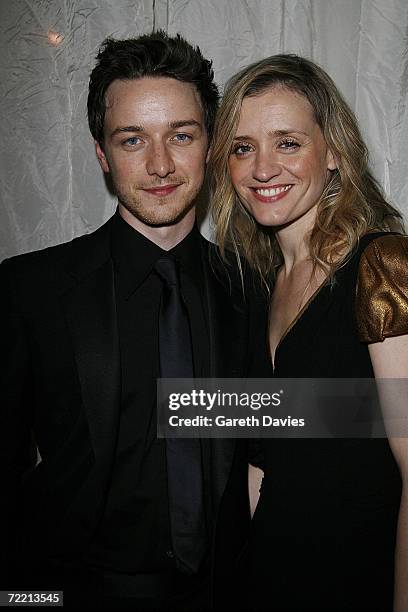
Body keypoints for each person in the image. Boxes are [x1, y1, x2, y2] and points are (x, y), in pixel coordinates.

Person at [0, 31, 257, 611]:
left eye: (181, 136)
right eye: (133, 139)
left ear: (210, 145)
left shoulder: (250, 291)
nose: (160, 164)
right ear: (101, 155)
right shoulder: (28, 291)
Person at [210, 54, 408, 611]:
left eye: (288, 142)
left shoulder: (383, 266)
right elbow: (264, 465)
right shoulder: (255, 290)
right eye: (242, 147)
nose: (262, 168)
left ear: (336, 153)